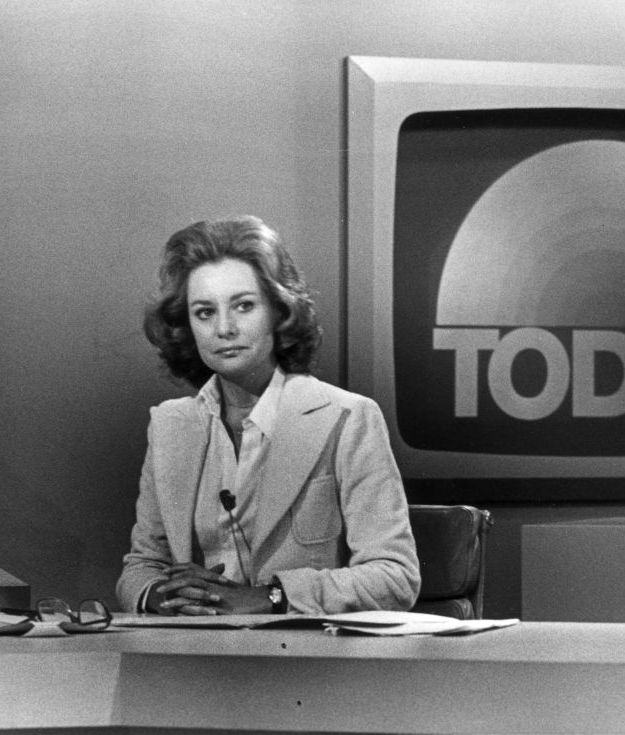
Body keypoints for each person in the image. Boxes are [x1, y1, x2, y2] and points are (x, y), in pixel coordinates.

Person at [116, 215, 420, 616]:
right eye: (204, 312)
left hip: (310, 664)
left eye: (243, 306)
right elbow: (140, 568)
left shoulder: (348, 418)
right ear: (186, 326)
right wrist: (160, 595)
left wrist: (271, 597)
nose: (224, 328)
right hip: (196, 660)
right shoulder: (171, 426)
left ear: (279, 311)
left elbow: (395, 577)